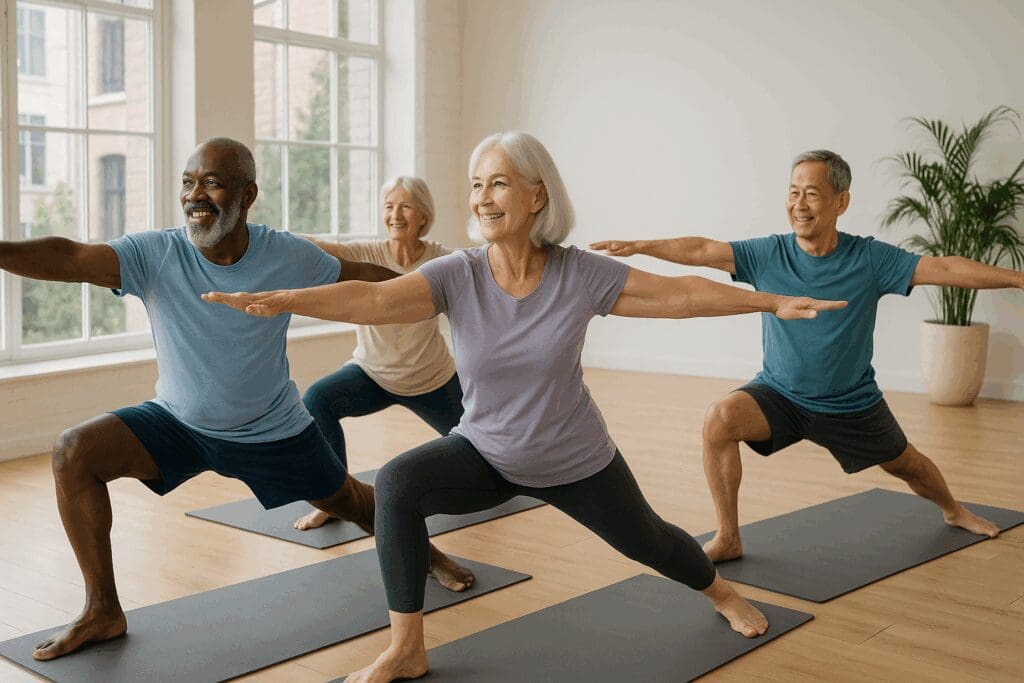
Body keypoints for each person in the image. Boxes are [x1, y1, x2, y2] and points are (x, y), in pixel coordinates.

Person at [205, 131, 847, 682]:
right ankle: (406, 648)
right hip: (486, 452)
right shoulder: (458, 273)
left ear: (537, 195)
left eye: (498, 184)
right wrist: (286, 300)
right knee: (398, 483)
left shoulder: (578, 273)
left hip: (574, 460)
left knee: (650, 541)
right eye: (475, 185)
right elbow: (373, 300)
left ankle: (722, 592)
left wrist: (770, 301)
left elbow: (677, 295)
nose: (482, 197)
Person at [0, 137, 473, 662]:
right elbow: (70, 256)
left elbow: (370, 283)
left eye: (212, 183)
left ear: (247, 195)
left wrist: (456, 297)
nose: (194, 196)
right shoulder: (155, 253)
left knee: (349, 501)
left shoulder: (284, 254)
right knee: (75, 451)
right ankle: (102, 610)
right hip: (178, 422)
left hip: (272, 431)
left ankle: (428, 554)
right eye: (187, 183)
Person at [592, 149, 1022, 564]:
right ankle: (728, 537)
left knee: (907, 465)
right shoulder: (769, 253)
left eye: (812, 194)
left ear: (841, 202)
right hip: (780, 395)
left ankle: (952, 509)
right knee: (720, 420)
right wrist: (642, 245)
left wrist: (1018, 278)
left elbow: (944, 268)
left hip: (851, 404)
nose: (799, 204)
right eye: (793, 192)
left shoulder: (869, 258)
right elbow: (703, 250)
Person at [294, 176, 463, 531]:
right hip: (372, 374)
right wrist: (266, 236)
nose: (395, 215)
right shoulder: (367, 253)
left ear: (423, 215)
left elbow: (481, 269)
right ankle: (336, 499)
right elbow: (318, 245)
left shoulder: (442, 259)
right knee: (317, 400)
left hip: (430, 379)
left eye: (405, 206)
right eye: (389, 206)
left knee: (479, 442)